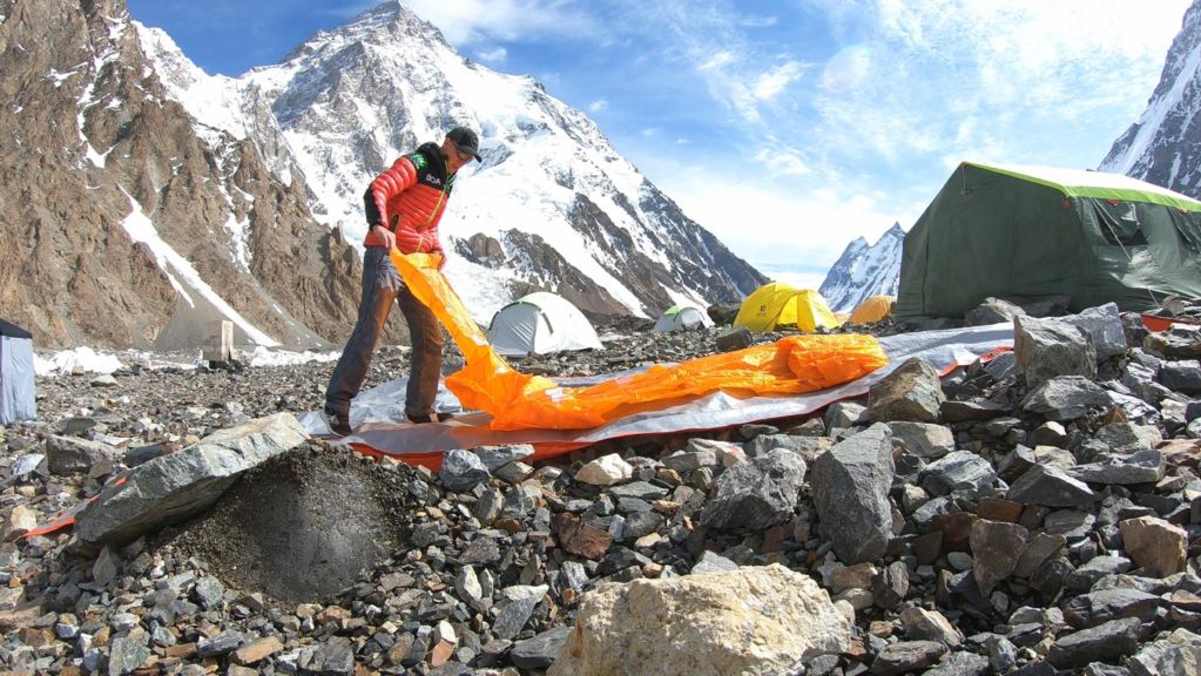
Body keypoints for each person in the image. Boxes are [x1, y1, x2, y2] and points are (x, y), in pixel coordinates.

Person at [323, 126, 481, 435]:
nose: (463, 160)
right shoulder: (418, 164)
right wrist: (379, 224)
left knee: (430, 337)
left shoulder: (448, 180)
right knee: (371, 328)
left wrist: (436, 247)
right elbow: (377, 189)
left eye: (468, 157)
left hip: (416, 264)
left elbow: (428, 224)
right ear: (447, 143)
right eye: (460, 152)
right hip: (387, 254)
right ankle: (337, 406)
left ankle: (420, 411)